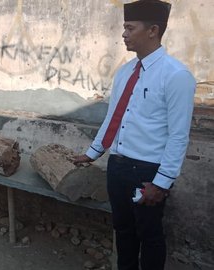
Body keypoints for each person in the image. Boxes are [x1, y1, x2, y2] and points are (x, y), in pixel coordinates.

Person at [73, 1, 196, 269]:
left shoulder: (177, 76)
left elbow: (178, 135)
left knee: (150, 235)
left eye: (130, 28)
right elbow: (114, 117)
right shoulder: (125, 72)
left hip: (148, 172)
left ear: (152, 30)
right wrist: (92, 153)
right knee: (123, 232)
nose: (124, 34)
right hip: (117, 167)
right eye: (124, 28)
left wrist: (162, 182)